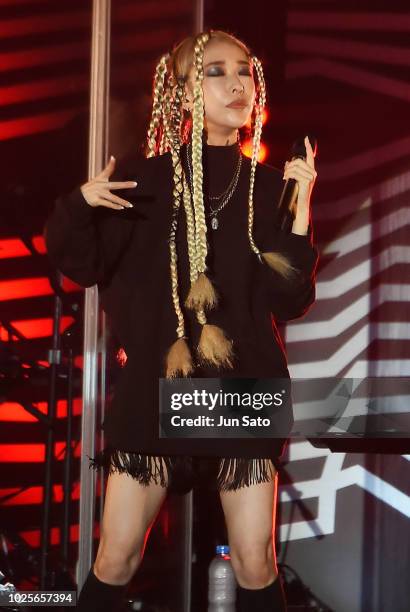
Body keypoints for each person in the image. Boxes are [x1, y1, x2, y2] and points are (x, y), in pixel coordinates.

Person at [45, 29, 318, 612]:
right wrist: (79, 206)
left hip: (244, 392)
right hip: (157, 391)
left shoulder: (270, 188)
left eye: (244, 70)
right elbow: (84, 266)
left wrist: (300, 215)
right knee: (116, 558)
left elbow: (289, 300)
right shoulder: (144, 184)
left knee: (256, 562)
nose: (237, 83)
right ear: (183, 92)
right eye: (216, 72)